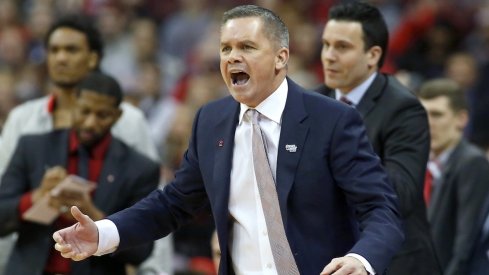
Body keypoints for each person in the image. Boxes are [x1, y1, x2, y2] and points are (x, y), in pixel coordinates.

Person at [53, 5, 404, 275]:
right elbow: (172, 204)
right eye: (225, 48)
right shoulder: (211, 121)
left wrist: (362, 259)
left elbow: (380, 209)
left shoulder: (333, 120)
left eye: (247, 46)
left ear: (281, 57)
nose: (232, 57)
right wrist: (102, 234)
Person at [0, 15, 171, 275]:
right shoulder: (23, 121)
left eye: (71, 49)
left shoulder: (131, 123)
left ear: (93, 58)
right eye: (54, 50)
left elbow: (148, 210)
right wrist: (38, 197)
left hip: (98, 261)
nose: (61, 58)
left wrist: (154, 269)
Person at [315, 2, 441, 274]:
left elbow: (403, 191)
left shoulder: (403, 108)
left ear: (372, 55)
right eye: (326, 45)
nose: (329, 56)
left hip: (395, 261)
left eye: (342, 47)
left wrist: (333, 169)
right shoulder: (312, 102)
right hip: (332, 256)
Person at [418, 78, 489, 275]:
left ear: (461, 119)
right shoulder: (420, 164)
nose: (428, 123)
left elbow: (465, 244)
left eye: (437, 115)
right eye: (423, 114)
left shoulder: (472, 163)